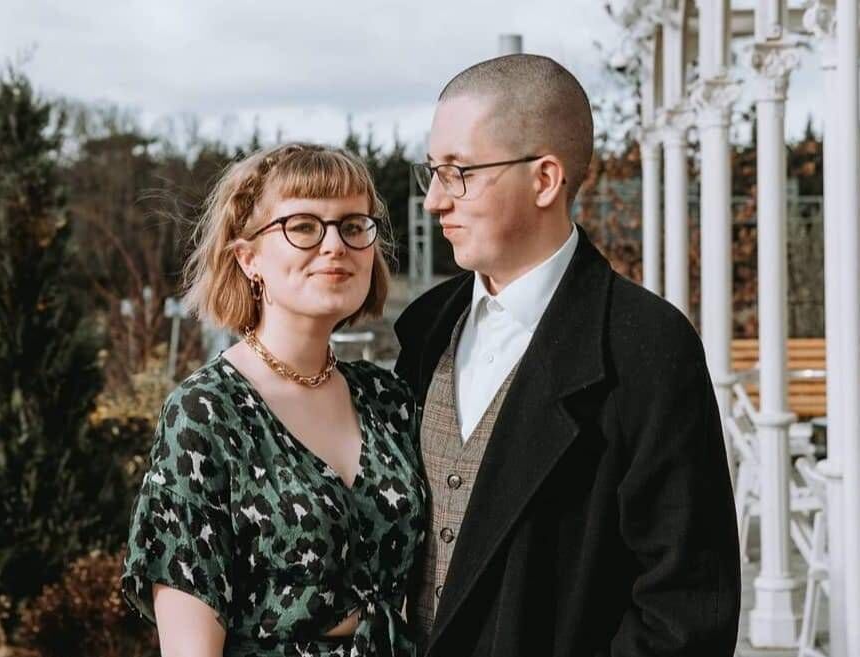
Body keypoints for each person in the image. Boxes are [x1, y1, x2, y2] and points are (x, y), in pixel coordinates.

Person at [395, 54, 741, 657]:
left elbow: (685, 611)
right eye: (433, 172)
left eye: (458, 172)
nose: (434, 202)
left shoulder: (649, 347)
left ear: (545, 180)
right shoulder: (426, 328)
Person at [122, 143, 426, 657]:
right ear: (248, 258)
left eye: (354, 226)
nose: (335, 245)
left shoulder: (389, 400)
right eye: (303, 226)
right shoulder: (206, 413)